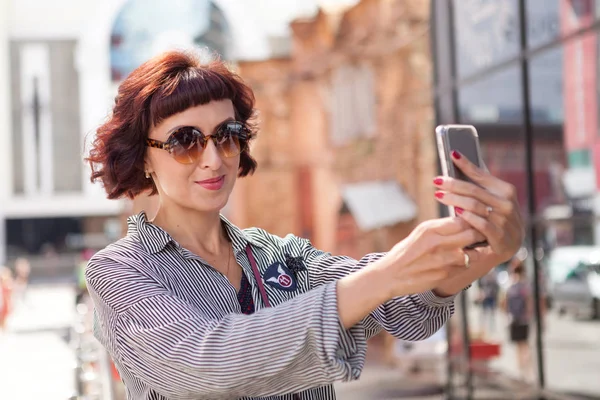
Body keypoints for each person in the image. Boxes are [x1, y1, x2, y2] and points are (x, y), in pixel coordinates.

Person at [84, 50, 524, 400]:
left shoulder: (280, 255)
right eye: (185, 141)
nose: (213, 159)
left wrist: (485, 253)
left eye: (227, 134)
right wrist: (387, 273)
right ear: (143, 155)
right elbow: (208, 363)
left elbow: (403, 308)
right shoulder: (119, 271)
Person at [502, 258, 533, 381]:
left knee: (518, 346)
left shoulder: (510, 284)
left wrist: (506, 314)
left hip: (513, 318)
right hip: (524, 319)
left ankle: (521, 370)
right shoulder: (525, 285)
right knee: (525, 344)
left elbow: (504, 302)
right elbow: (529, 302)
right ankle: (527, 369)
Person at [477, 269, 500, 336]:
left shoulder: (493, 276)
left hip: (491, 298)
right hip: (484, 299)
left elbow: (496, 288)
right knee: (484, 314)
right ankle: (483, 330)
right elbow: (480, 287)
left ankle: (492, 330)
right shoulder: (482, 276)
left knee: (491, 315)